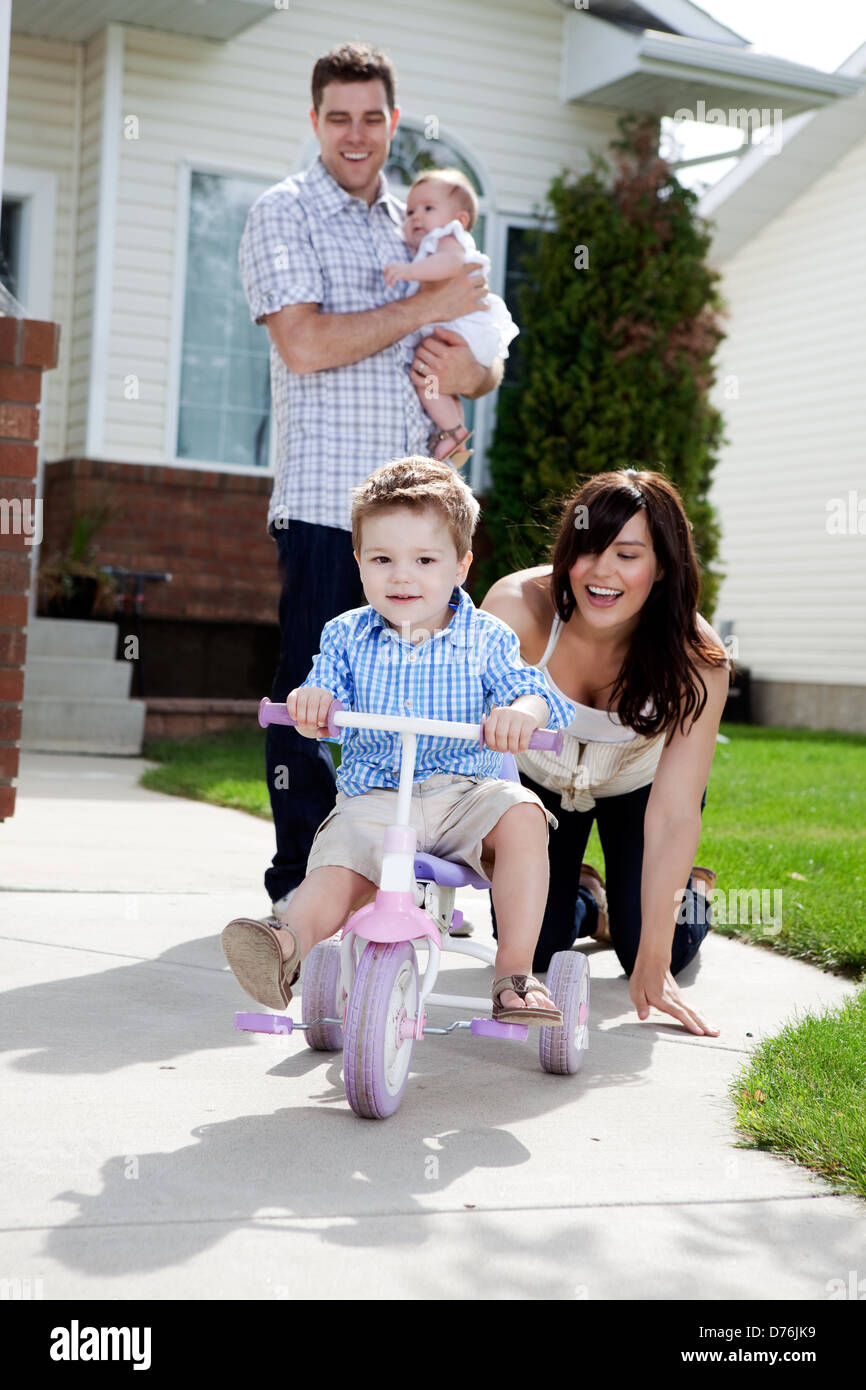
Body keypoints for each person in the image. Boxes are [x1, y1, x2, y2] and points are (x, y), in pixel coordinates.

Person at [237, 42, 504, 922]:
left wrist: (459, 373)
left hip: (424, 521)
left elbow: (483, 360)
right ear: (315, 121)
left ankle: (394, 892)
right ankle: (300, 902)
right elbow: (306, 344)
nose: (357, 134)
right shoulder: (284, 214)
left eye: (373, 116)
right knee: (315, 706)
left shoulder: (419, 223)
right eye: (339, 117)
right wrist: (426, 306)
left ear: (393, 122)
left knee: (420, 709)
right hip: (326, 511)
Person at [222, 457, 576, 1024]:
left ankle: (515, 974)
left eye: (425, 560)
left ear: (461, 565)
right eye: (382, 559)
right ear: (358, 561)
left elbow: (534, 692)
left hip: (466, 795)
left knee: (524, 816)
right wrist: (312, 704)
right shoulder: (344, 635)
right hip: (377, 799)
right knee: (337, 864)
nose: (402, 577)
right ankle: (285, 948)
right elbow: (319, 688)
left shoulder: (487, 638)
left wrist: (520, 713)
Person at [480, 468, 731, 1037]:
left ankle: (689, 893)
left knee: (655, 949)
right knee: (536, 947)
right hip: (540, 783)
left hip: (636, 792)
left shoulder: (700, 658)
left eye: (628, 554)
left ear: (663, 565)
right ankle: (589, 902)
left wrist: (656, 957)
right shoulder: (517, 608)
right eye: (589, 547)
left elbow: (673, 813)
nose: (603, 571)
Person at [383, 169, 518, 465]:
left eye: (428, 209)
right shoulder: (430, 241)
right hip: (460, 330)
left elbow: (448, 264)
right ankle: (454, 433)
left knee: (425, 379)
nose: (416, 216)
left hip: (462, 327)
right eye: (410, 211)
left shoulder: (447, 238)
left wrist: (407, 271)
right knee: (438, 383)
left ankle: (452, 432)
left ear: (460, 220)